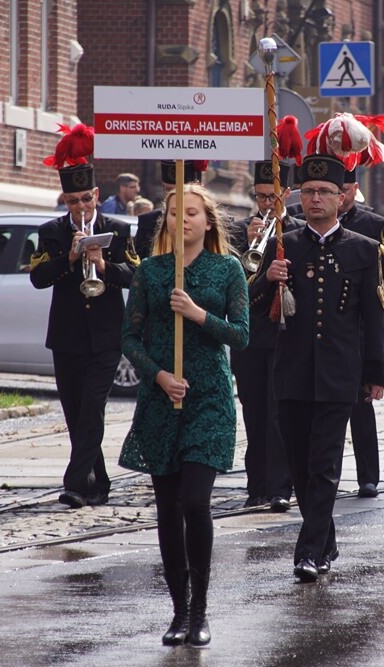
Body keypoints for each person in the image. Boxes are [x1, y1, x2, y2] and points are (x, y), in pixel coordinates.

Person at [118, 183, 248, 647]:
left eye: (192, 213)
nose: (184, 220)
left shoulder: (227, 269)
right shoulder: (151, 272)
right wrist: (157, 376)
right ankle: (177, 610)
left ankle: (200, 610)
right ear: (166, 222)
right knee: (169, 509)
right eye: (175, 213)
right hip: (162, 399)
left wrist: (196, 314)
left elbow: (241, 335)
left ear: (208, 222)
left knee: (196, 501)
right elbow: (129, 338)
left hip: (209, 397)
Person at [250, 153, 384, 582]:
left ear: (342, 197)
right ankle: (324, 540)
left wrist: (375, 374)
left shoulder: (363, 249)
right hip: (291, 372)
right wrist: (266, 278)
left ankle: (308, 551)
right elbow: (253, 310)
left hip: (338, 374)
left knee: (324, 465)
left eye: (324, 192)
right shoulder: (283, 244)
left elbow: (373, 317)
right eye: (307, 191)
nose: (315, 199)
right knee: (298, 462)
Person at [29, 123, 138, 509]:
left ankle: (75, 483)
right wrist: (70, 258)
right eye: (72, 202)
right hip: (67, 335)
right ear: (65, 200)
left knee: (93, 406)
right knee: (76, 413)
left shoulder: (118, 231)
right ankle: (99, 481)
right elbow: (39, 279)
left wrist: (104, 266)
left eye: (85, 200)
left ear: (96, 195)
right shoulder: (52, 232)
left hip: (107, 336)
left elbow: (135, 276)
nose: (80, 208)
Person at [229, 160, 301, 512]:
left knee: (280, 414)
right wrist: (250, 253)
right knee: (254, 413)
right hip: (251, 338)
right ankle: (256, 484)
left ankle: (280, 487)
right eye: (259, 197)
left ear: (286, 195)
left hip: (288, 338)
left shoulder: (299, 232)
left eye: (272, 197)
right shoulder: (238, 233)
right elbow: (233, 292)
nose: (266, 204)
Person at [336, 168, 384, 498]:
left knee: (361, 409)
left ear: (355, 188)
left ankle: (368, 476)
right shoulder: (302, 220)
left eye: (345, 189)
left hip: (358, 329)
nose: (340, 196)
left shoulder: (373, 224)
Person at [135, 161, 203, 258]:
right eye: (169, 190)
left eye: (180, 190)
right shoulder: (148, 222)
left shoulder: (221, 225)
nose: (174, 196)